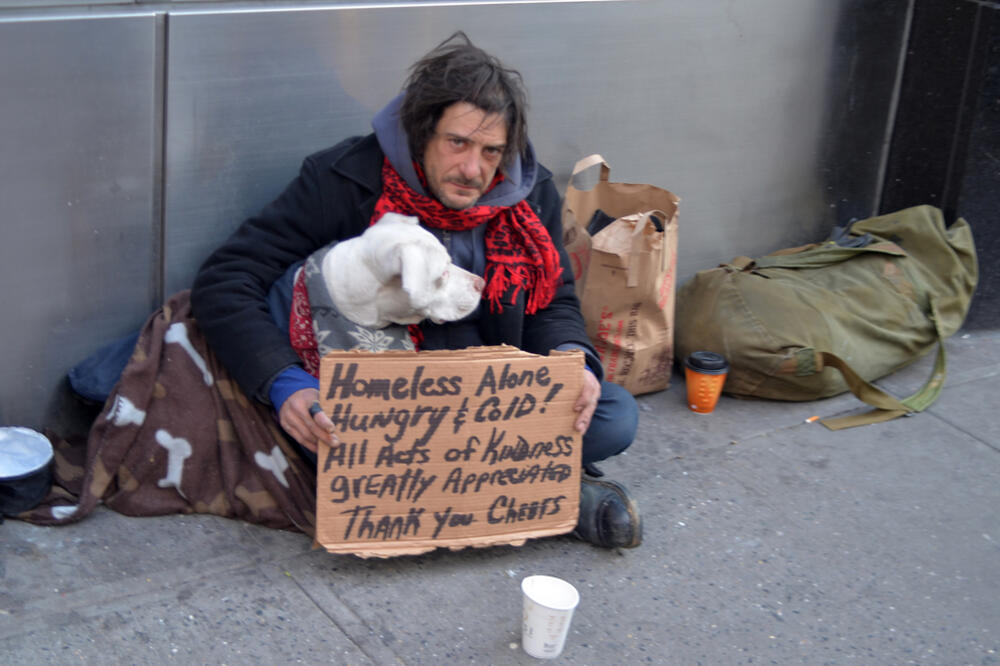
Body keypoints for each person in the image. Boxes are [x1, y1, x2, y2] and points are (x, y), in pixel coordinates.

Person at [190, 32, 642, 549]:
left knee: (612, 416)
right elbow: (227, 278)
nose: (473, 169)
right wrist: (284, 383)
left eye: (491, 151)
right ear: (421, 131)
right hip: (382, 395)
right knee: (334, 436)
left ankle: (488, 491)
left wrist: (571, 361)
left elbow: (552, 298)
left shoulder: (528, 190)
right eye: (458, 143)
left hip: (487, 391)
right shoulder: (345, 179)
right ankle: (545, 495)